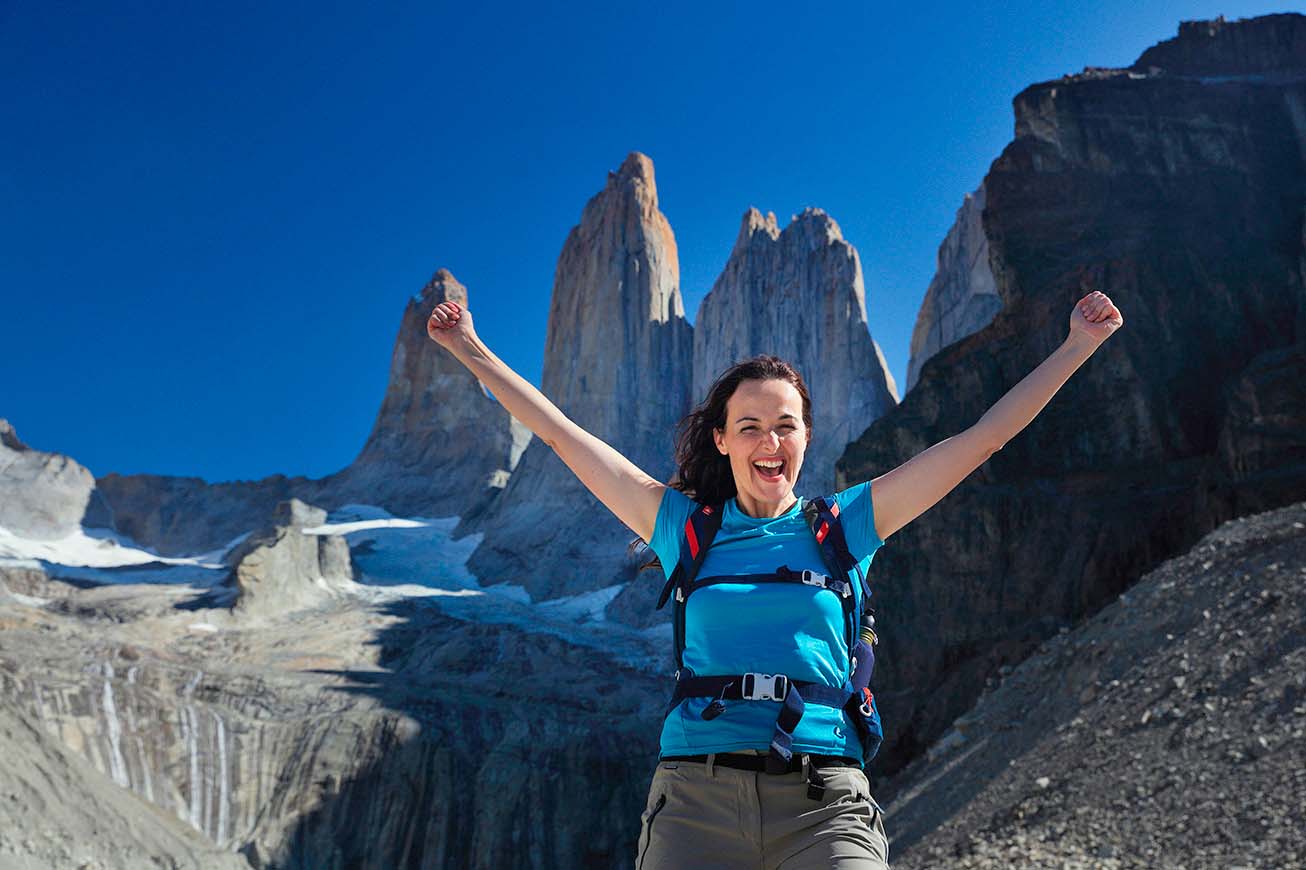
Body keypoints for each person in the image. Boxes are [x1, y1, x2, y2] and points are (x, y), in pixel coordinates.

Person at [427, 290, 1124, 869]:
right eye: (750, 426)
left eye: (786, 426)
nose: (770, 442)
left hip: (826, 803)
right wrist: (467, 348)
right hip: (694, 802)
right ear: (722, 439)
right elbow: (560, 434)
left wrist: (1077, 346)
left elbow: (980, 440)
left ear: (807, 437)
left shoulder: (845, 527)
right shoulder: (681, 527)